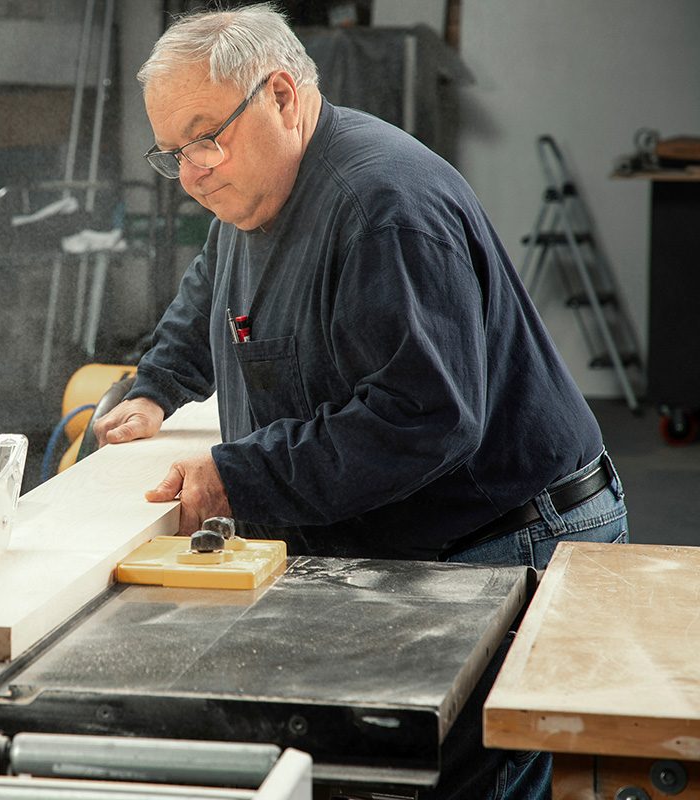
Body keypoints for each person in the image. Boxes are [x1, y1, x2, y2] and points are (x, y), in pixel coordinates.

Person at [92, 4, 628, 799]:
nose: (193, 172)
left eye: (206, 137)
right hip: (422, 532)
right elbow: (215, 294)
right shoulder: (252, 192)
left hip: (508, 536)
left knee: (447, 782)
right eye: (173, 153)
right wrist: (154, 388)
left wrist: (243, 475)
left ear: (282, 95)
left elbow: (426, 417)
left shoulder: (381, 209)